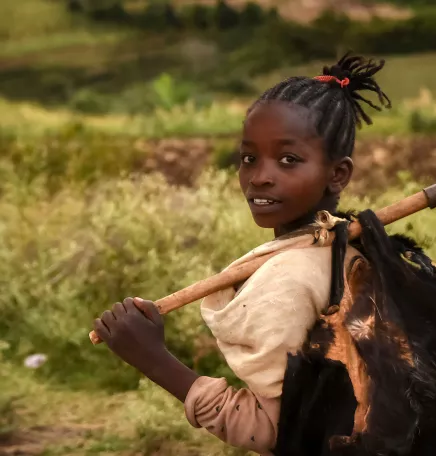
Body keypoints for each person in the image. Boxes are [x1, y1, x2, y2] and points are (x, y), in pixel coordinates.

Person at [92, 52, 392, 455]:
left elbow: (272, 431)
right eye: (249, 158)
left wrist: (153, 359)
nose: (259, 177)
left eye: (289, 160)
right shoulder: (350, 247)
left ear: (337, 174)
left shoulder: (291, 278)